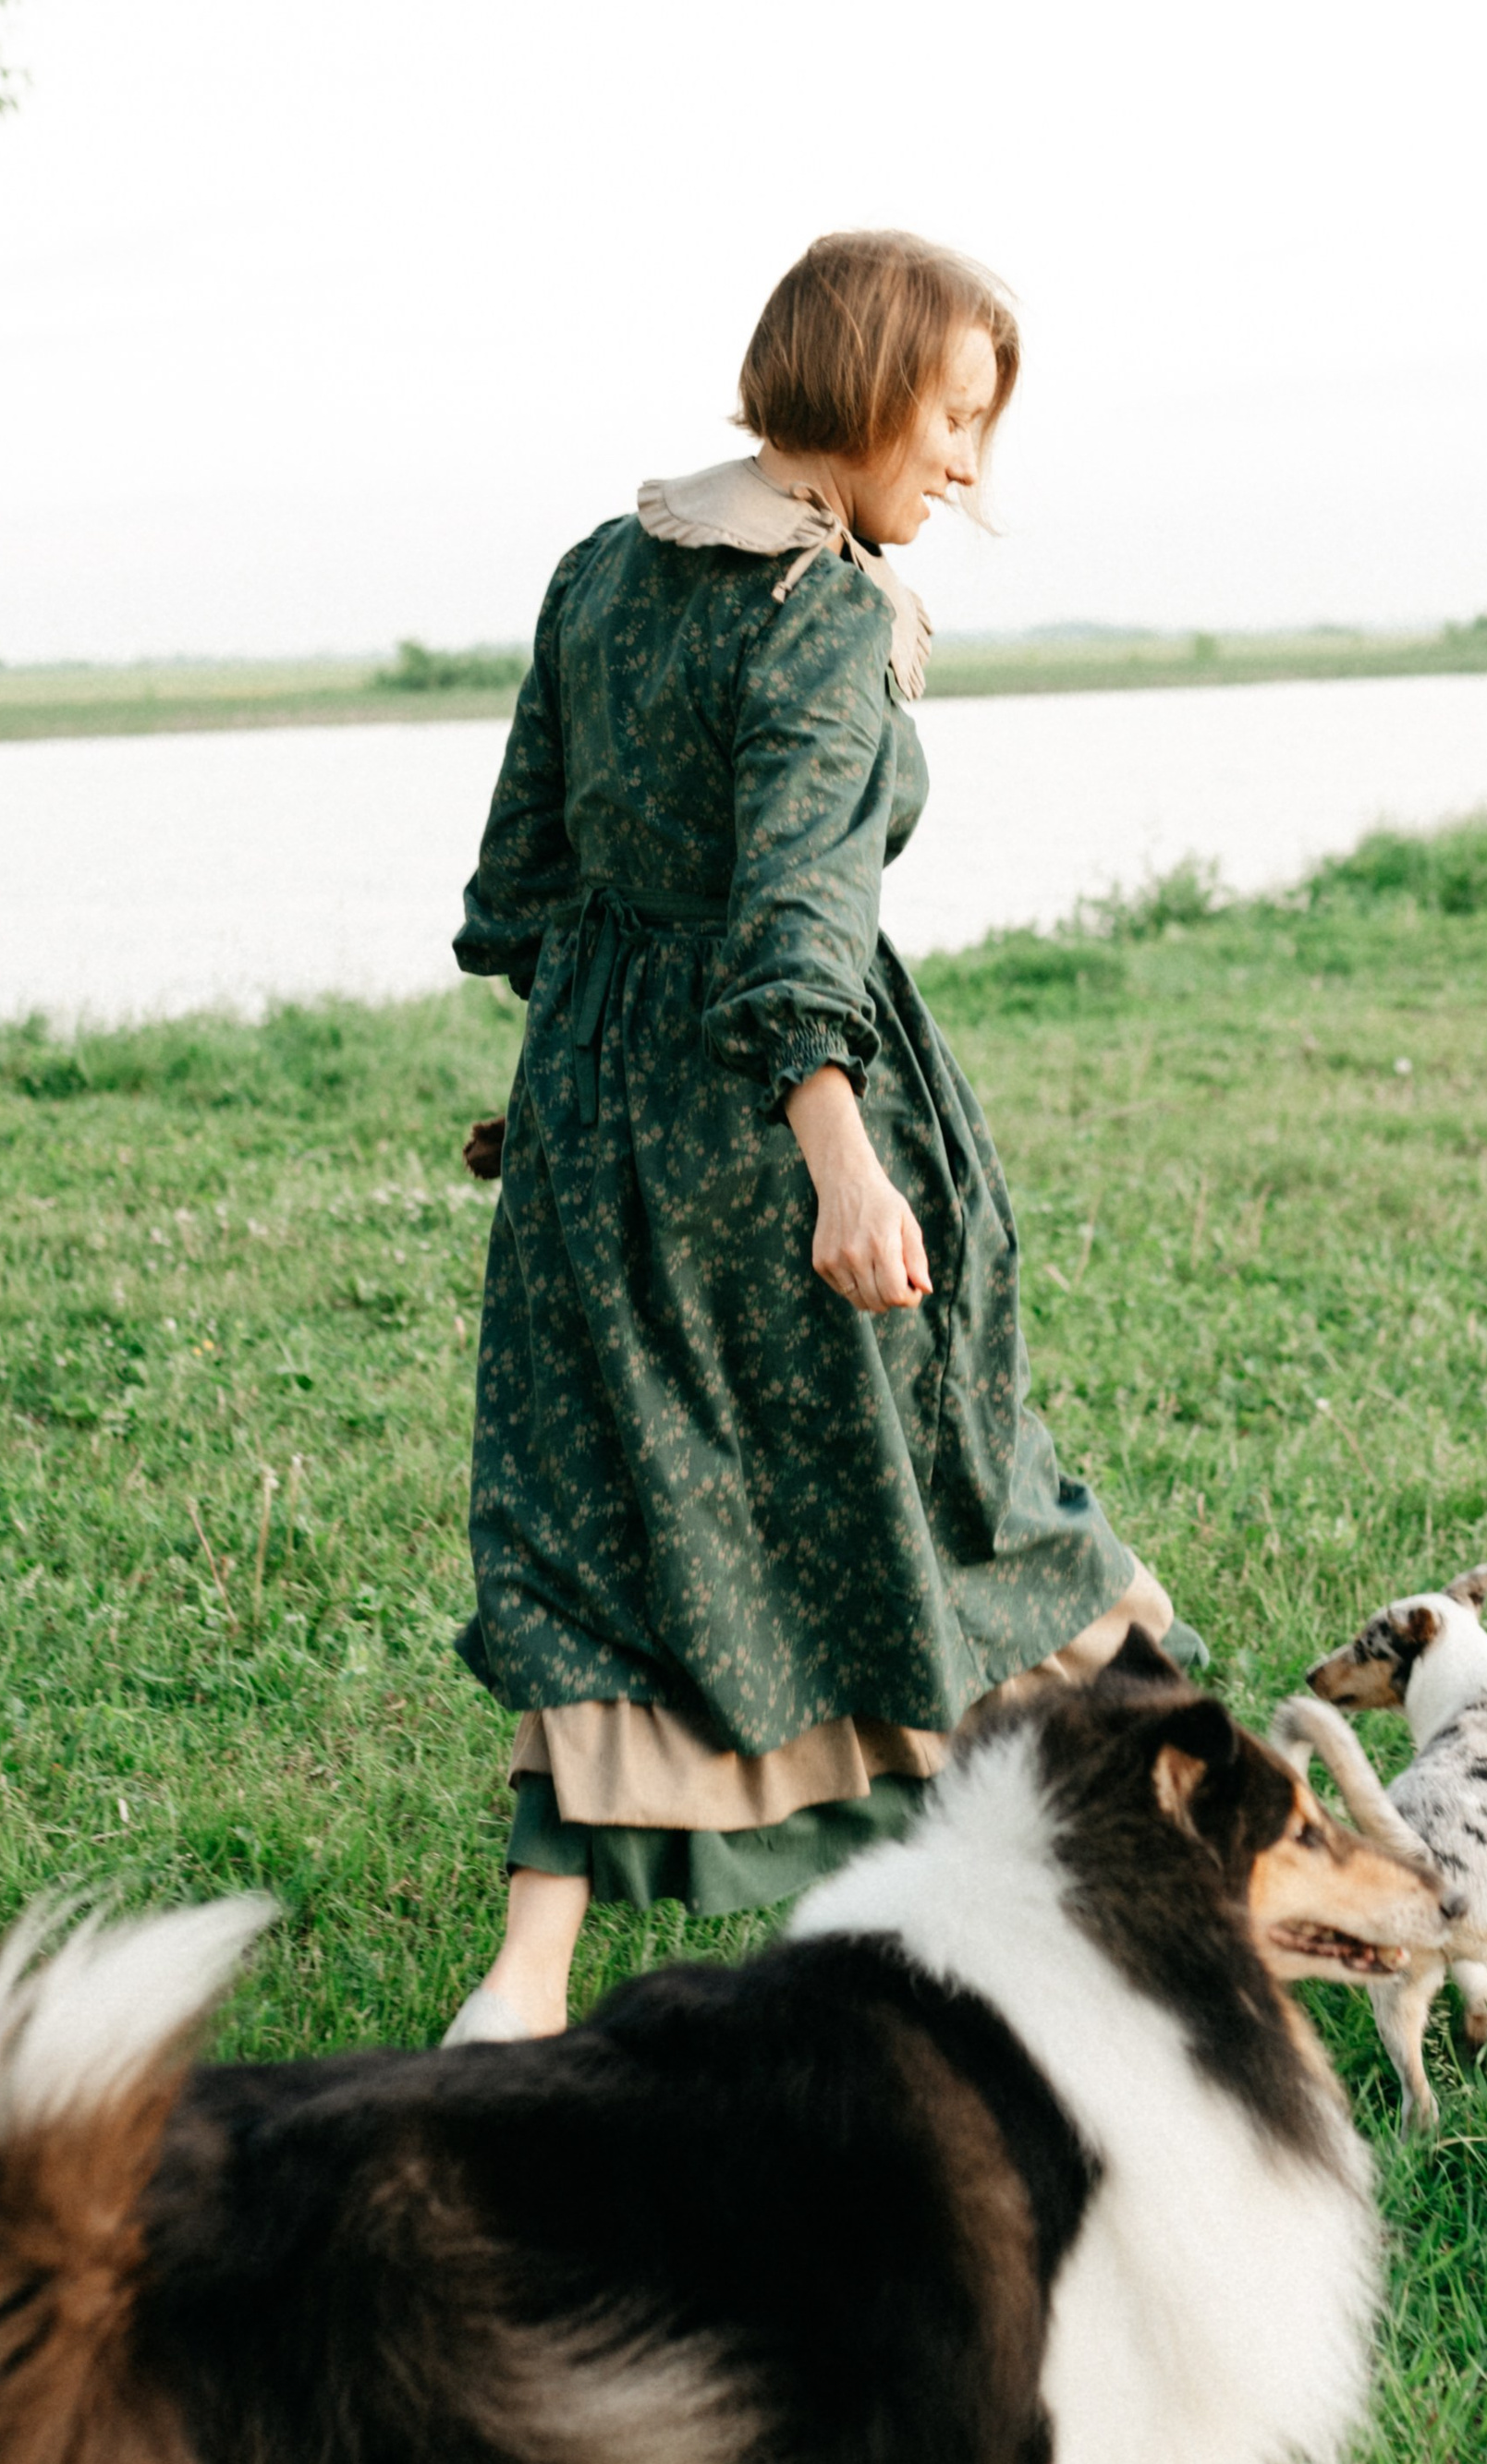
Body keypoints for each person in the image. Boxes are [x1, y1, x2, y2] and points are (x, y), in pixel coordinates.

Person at [441, 230, 1202, 2043]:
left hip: (600, 1115)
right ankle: (1205, 1829)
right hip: (792, 1119)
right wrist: (840, 1163)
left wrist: (564, 1089)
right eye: (948, 419)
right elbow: (798, 910)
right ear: (858, 390)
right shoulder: (826, 609)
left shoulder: (597, 572)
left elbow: (523, 875)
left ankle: (523, 1986)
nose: (962, 463)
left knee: (606, 1534)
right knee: (967, 1492)